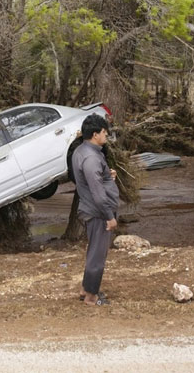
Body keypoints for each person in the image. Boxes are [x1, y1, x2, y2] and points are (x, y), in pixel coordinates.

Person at [71, 114, 119, 306]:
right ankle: (91, 297)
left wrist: (108, 175)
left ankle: (86, 289)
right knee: (98, 255)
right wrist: (110, 217)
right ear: (95, 134)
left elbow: (92, 179)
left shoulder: (82, 151)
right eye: (103, 132)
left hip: (92, 209)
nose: (106, 135)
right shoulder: (91, 158)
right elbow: (98, 193)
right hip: (98, 212)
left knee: (94, 252)